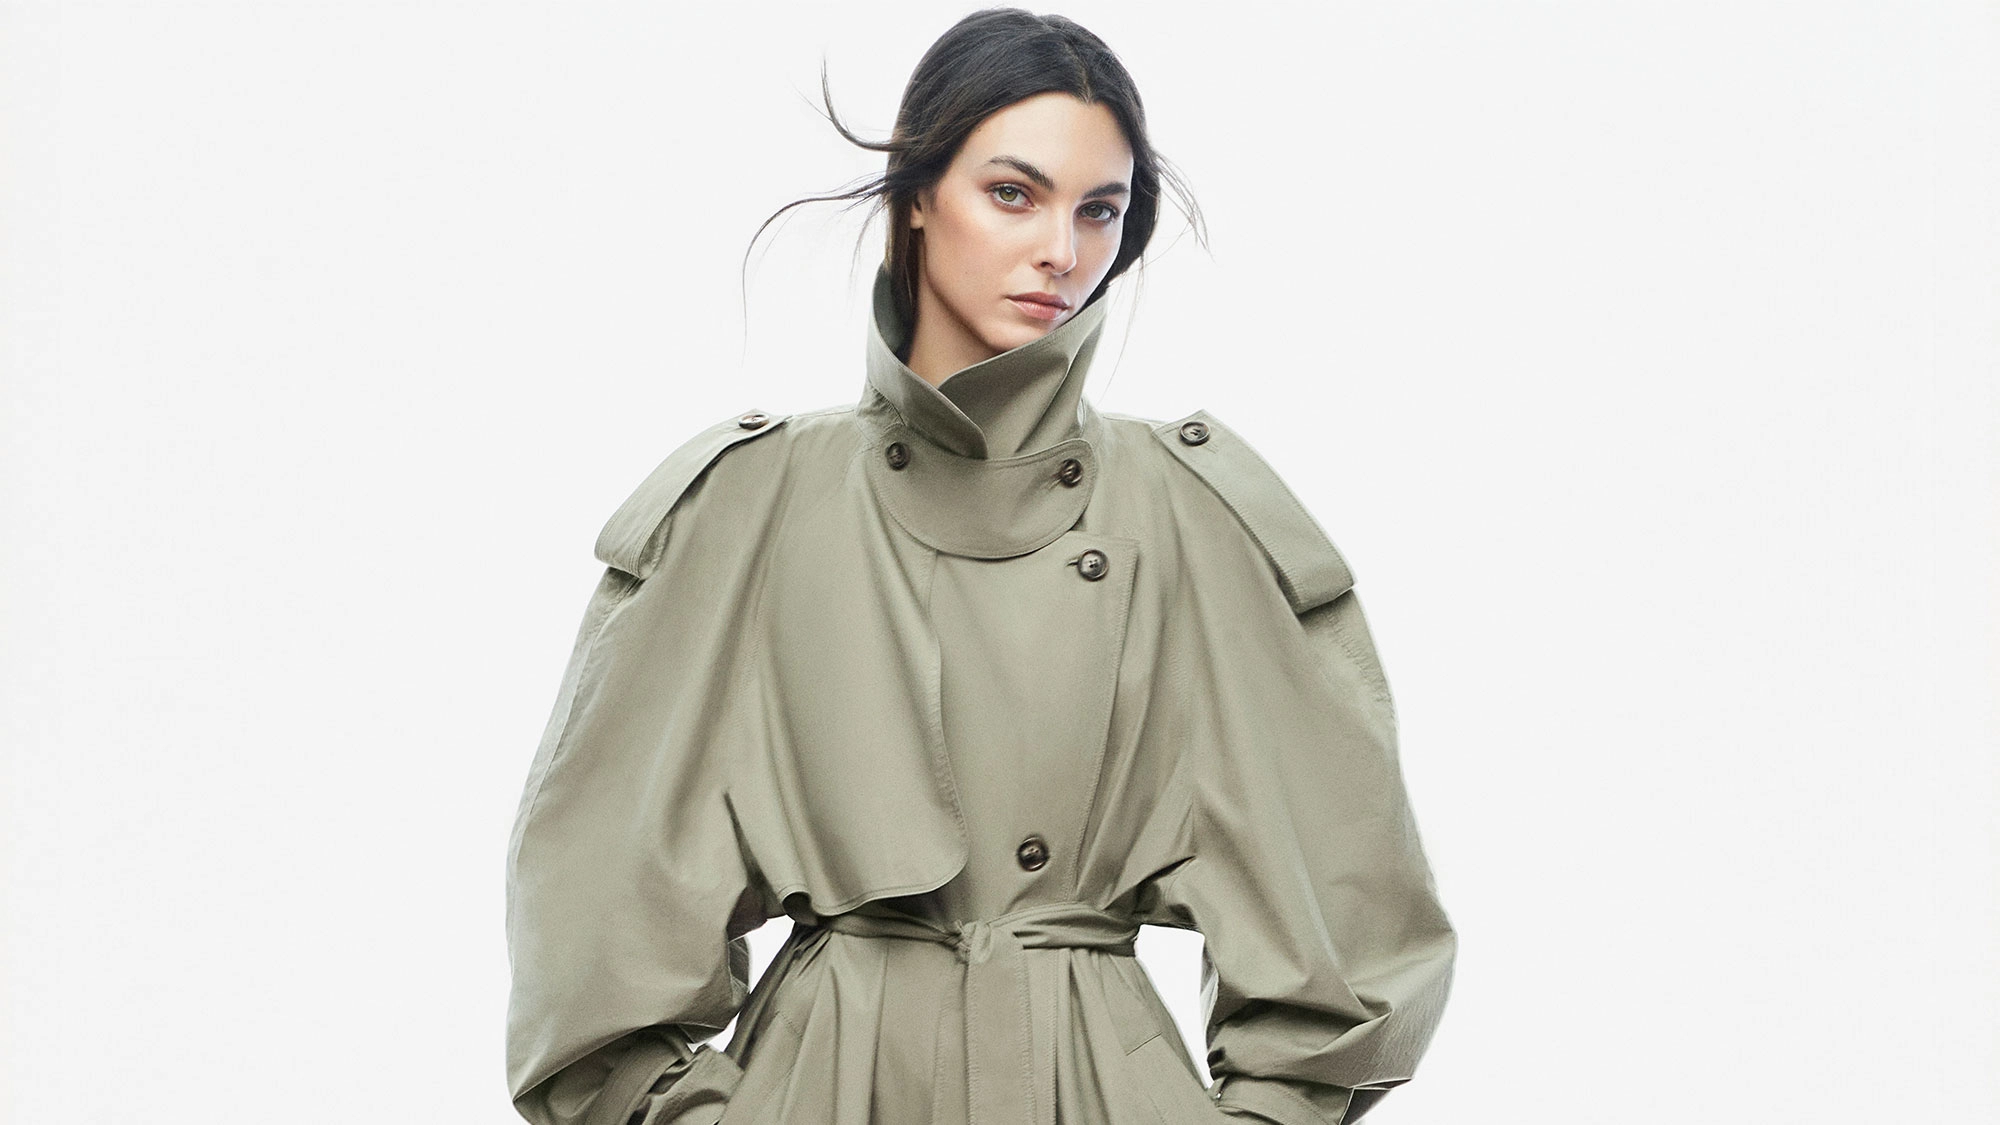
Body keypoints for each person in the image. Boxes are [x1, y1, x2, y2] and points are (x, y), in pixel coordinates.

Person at [504, 9, 1456, 1125]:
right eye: (1013, 193)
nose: (1061, 251)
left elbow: (1351, 932)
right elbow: (593, 936)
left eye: (1098, 210)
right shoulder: (745, 505)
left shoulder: (1197, 513)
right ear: (918, 193)